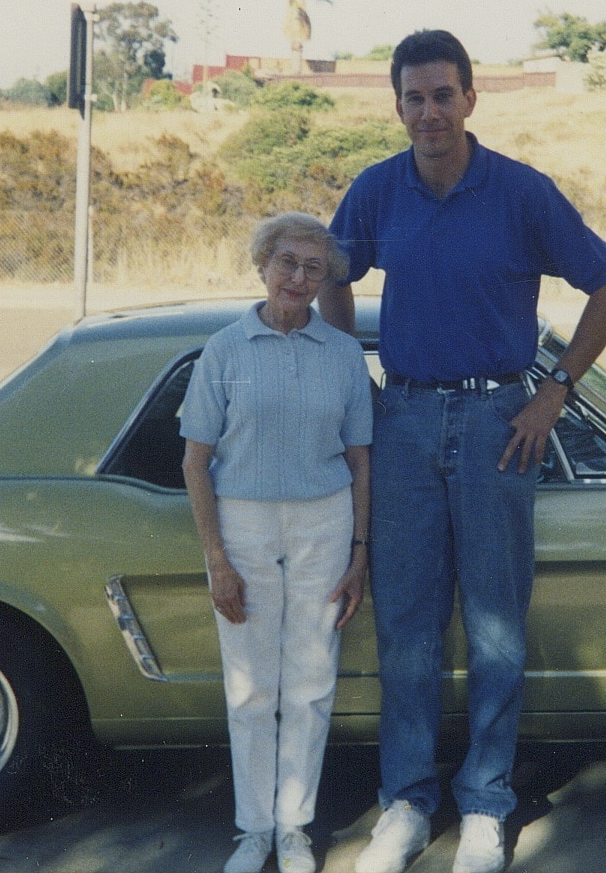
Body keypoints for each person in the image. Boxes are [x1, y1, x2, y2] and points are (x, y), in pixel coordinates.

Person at [320, 30, 606, 873]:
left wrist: (554, 387)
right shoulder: (378, 190)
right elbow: (330, 271)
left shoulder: (522, 193)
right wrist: (354, 380)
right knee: (409, 629)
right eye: (414, 98)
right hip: (406, 423)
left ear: (470, 98)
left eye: (444, 95)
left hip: (502, 421)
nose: (430, 112)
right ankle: (407, 805)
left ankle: (487, 804)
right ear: (398, 106)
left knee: (496, 626)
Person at [182, 212, 374, 873]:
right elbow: (195, 460)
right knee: (250, 684)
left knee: (312, 682)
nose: (297, 276)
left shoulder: (344, 354)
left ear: (326, 279)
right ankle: (253, 831)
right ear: (262, 264)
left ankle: (295, 829)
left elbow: (360, 460)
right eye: (286, 261)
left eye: (312, 267)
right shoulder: (226, 349)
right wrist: (217, 557)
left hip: (325, 519)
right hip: (244, 523)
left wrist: (359, 549)